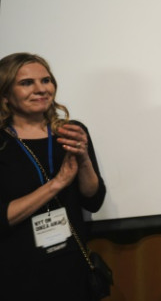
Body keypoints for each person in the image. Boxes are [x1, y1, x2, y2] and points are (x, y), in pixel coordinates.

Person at [0, 52, 106, 300]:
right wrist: (57, 183)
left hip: (71, 266)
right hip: (17, 273)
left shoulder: (71, 131)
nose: (41, 89)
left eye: (46, 80)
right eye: (27, 83)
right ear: (5, 94)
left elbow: (93, 200)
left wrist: (84, 160)